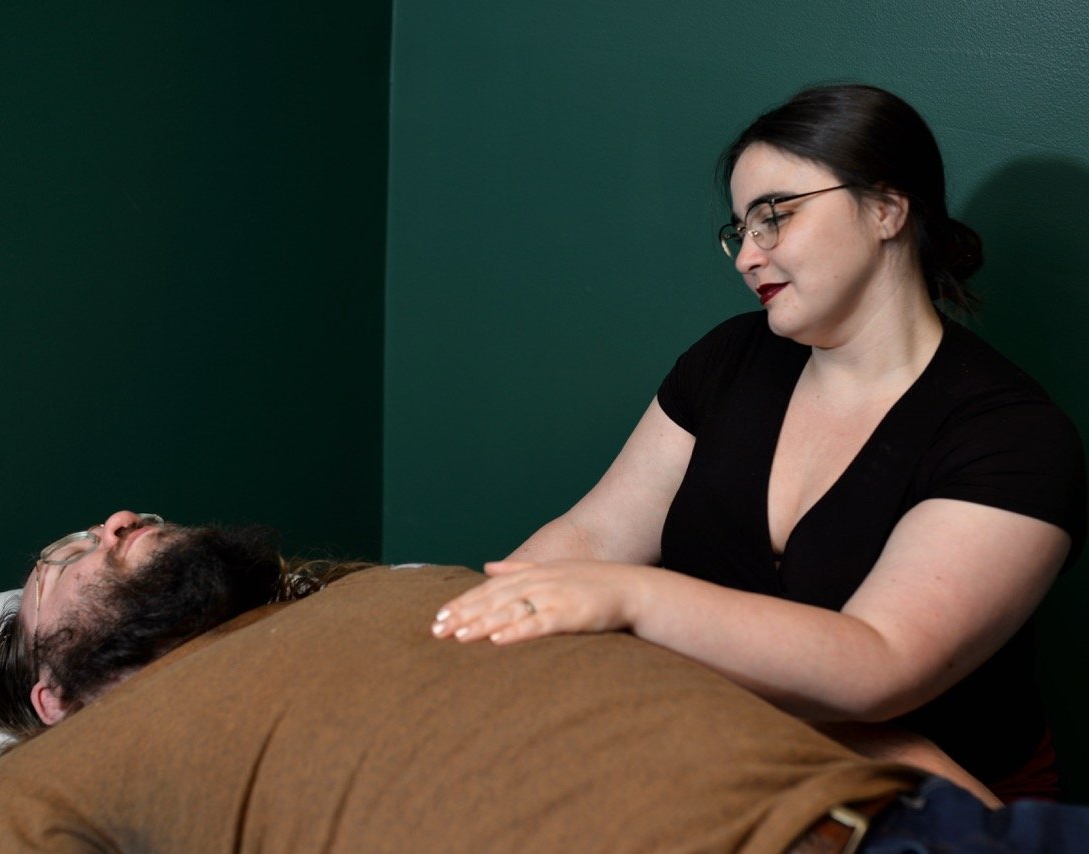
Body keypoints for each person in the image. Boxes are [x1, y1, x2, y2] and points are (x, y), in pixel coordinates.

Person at [430, 84, 1087, 801]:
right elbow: (592, 537)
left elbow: (877, 666)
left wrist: (632, 602)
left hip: (937, 803)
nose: (748, 256)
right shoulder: (730, 358)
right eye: (740, 229)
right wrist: (476, 629)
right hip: (729, 744)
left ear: (887, 209)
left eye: (775, 217)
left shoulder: (1013, 435)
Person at [0, 512, 1089, 852]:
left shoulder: (379, 593)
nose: (117, 518)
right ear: (53, 694)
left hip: (912, 824)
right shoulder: (69, 770)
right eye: (65, 556)